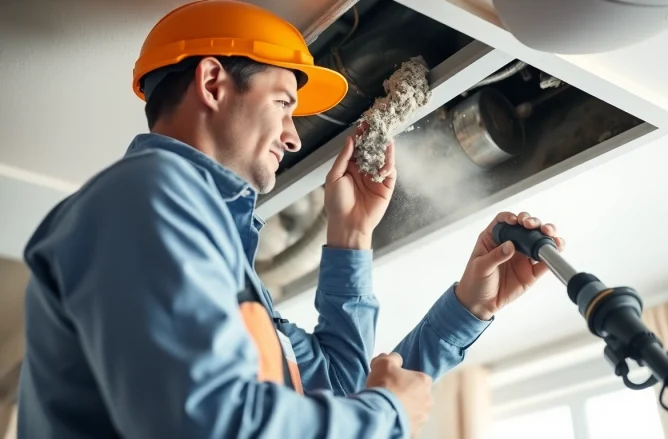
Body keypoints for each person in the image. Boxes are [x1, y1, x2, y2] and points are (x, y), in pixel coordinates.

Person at [16, 1, 564, 438]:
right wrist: (387, 415)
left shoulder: (213, 255)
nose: (294, 136)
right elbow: (205, 424)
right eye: (283, 102)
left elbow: (333, 390)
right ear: (212, 84)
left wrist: (453, 299)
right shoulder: (146, 196)